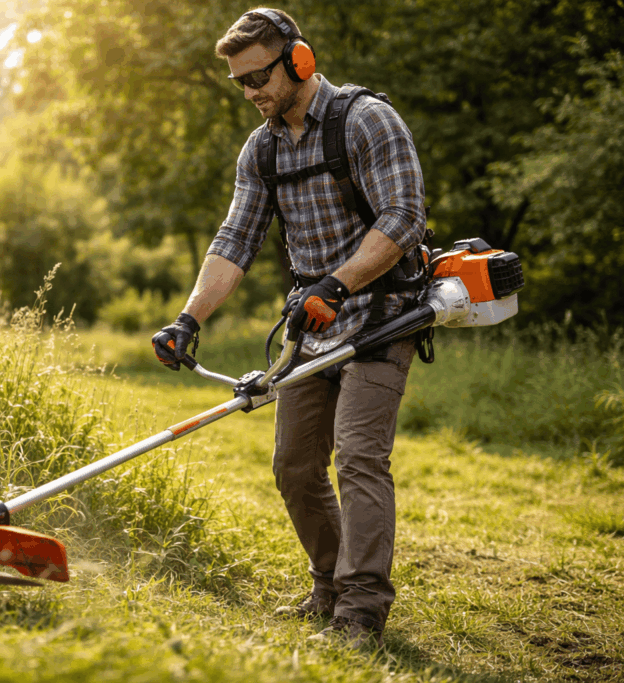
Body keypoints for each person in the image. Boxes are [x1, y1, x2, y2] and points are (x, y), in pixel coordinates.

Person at [151, 8, 427, 650]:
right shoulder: (263, 147)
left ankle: (361, 609)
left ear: (299, 60)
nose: (251, 94)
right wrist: (189, 319)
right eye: (240, 84)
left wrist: (339, 283)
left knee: (359, 455)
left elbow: (405, 216)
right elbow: (235, 239)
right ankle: (328, 585)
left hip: (385, 311)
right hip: (312, 323)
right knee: (295, 465)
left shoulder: (365, 120)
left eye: (259, 77)